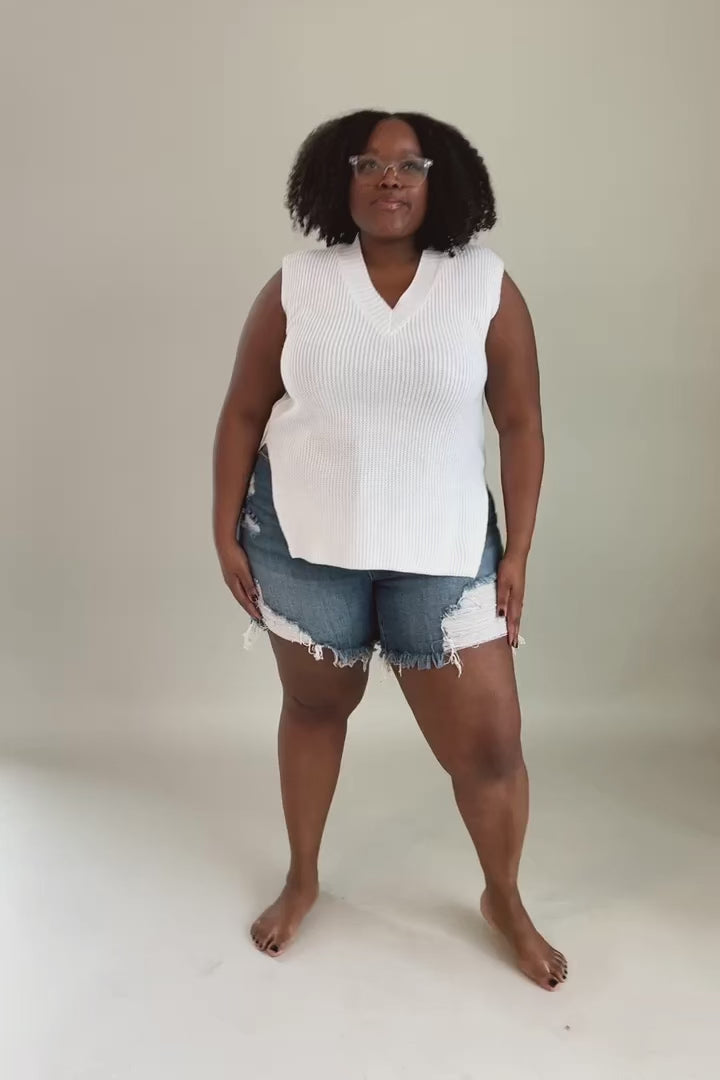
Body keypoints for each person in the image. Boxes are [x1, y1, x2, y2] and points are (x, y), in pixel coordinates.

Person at [212, 110, 568, 991]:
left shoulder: (484, 285)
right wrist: (222, 526)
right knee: (314, 711)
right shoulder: (298, 284)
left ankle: (504, 899)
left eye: (411, 164)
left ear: (442, 182)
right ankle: (303, 879)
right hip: (304, 544)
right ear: (339, 180)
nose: (390, 178)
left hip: (443, 555)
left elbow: (520, 422)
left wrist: (518, 550)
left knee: (491, 747)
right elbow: (244, 410)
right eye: (369, 163)